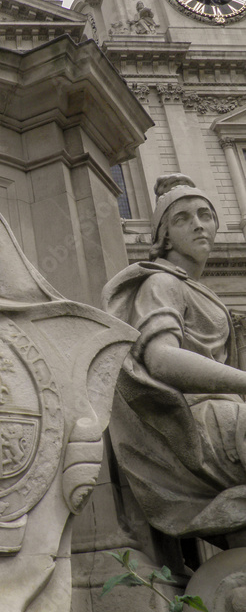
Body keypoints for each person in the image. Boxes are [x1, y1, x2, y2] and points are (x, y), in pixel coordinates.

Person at [103, 174, 246, 541]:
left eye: (205, 215)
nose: (198, 225)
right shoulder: (162, 283)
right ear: (164, 235)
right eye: (182, 218)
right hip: (201, 418)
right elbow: (161, 359)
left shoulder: (193, 287)